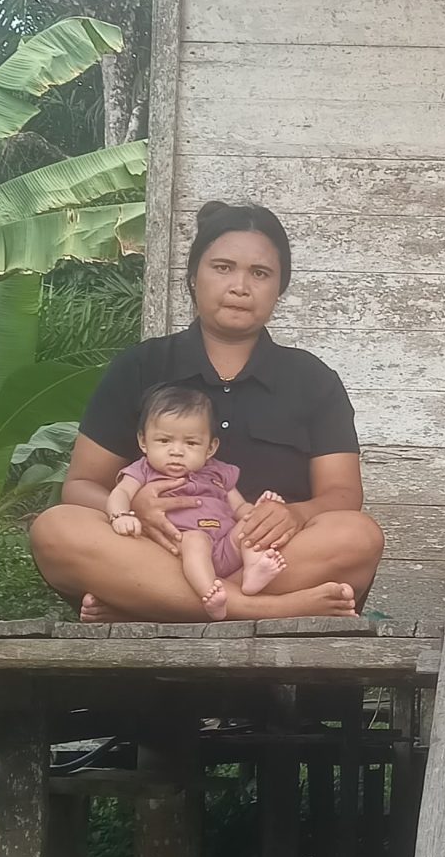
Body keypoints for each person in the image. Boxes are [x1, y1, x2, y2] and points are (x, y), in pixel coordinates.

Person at [29, 201, 385, 620]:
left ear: (280, 288)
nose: (240, 286)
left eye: (260, 273)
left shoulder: (312, 379)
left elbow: (343, 496)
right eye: (222, 267)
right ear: (193, 276)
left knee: (358, 536)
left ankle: (150, 602)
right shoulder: (141, 366)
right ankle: (262, 609)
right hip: (157, 550)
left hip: (264, 558)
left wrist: (294, 514)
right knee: (55, 529)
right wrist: (132, 507)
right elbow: (81, 485)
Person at [105, 383, 288, 613]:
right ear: (143, 442)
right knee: (196, 540)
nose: (177, 451)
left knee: (251, 527)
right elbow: (121, 492)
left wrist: (259, 511)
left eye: (191, 443)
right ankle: (209, 594)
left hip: (225, 546)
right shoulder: (143, 470)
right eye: (164, 441)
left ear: (210, 448)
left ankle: (253, 571)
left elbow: (240, 506)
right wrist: (120, 515)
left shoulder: (218, 472)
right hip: (180, 550)